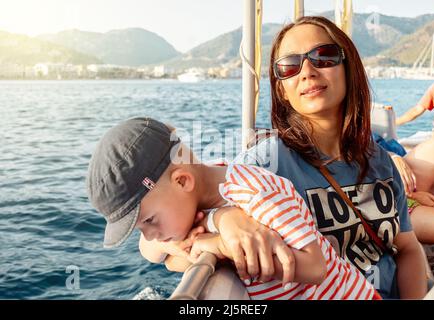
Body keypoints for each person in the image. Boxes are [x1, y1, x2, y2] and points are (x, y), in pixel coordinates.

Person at [209, 16, 427, 299]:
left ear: (349, 68)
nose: (307, 71)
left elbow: (408, 248)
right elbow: (158, 245)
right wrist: (225, 219)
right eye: (289, 66)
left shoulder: (379, 161)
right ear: (281, 90)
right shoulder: (264, 165)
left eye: (323, 56)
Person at [86, 117, 380, 300]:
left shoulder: (255, 194)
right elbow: (150, 251)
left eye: (149, 221)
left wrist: (222, 247)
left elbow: (315, 268)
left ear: (183, 181)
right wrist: (206, 236)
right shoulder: (189, 199)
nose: (150, 235)